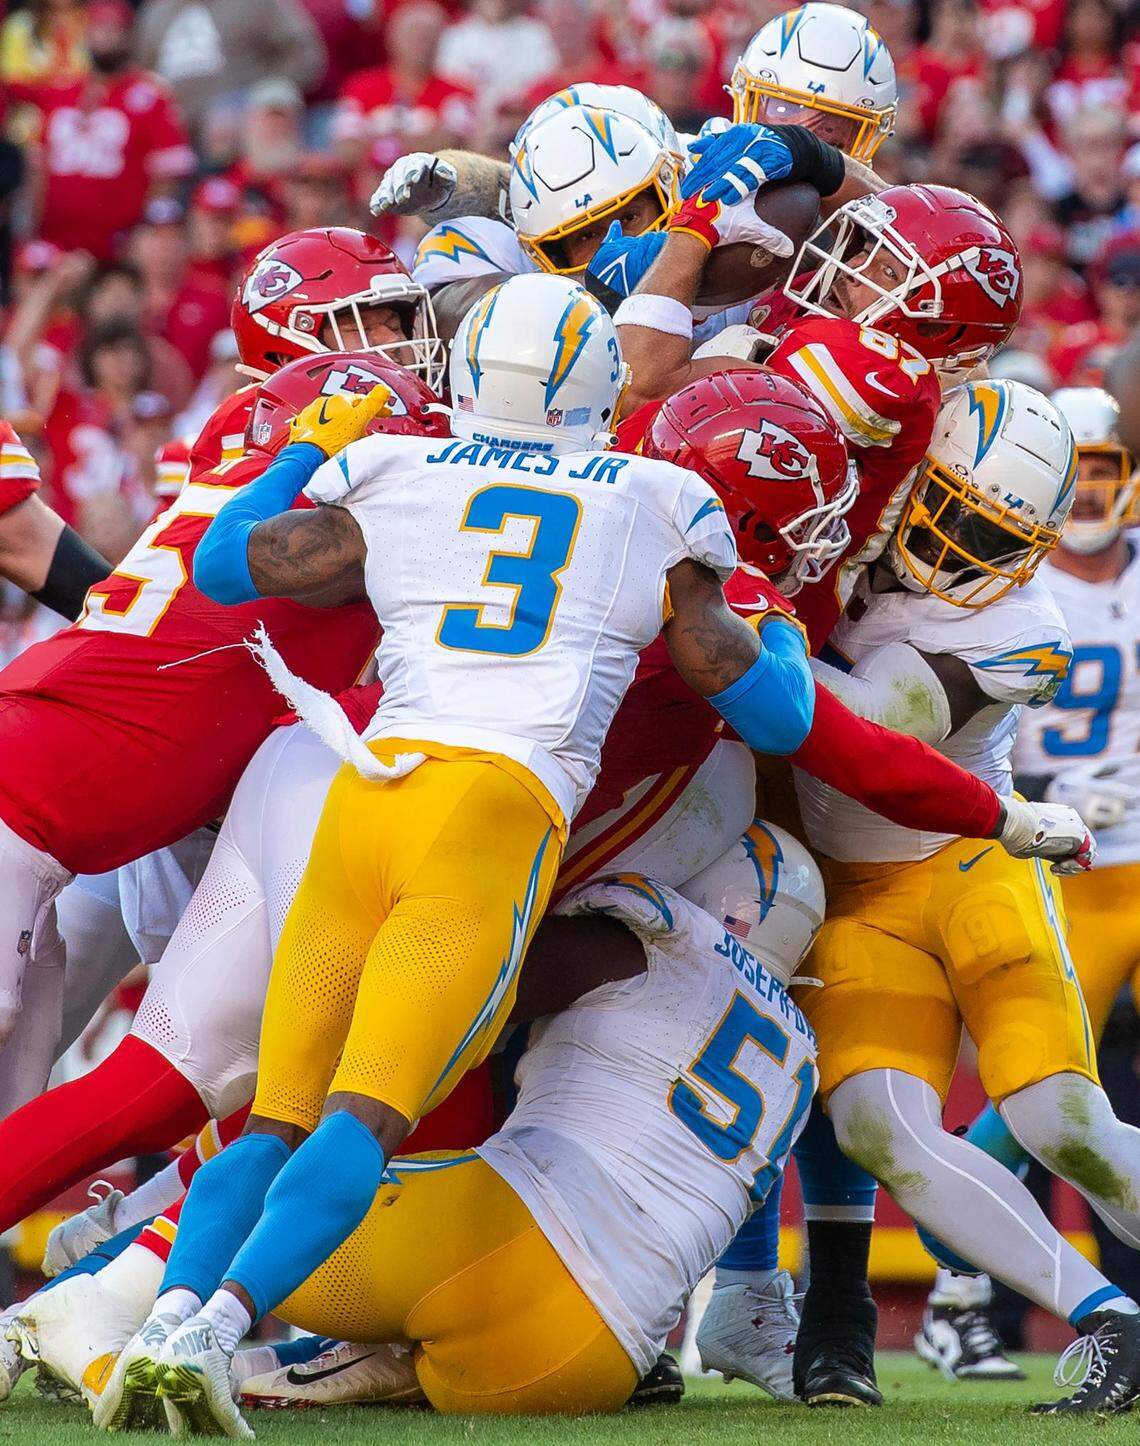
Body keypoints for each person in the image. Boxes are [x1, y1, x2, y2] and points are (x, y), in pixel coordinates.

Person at [796, 379, 1140, 1415]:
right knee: (876, 1127)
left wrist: (750, 619)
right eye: (949, 513)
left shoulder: (1026, 622)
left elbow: (863, 730)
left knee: (1060, 1118)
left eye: (996, 534)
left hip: (972, 865)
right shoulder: (848, 521)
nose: (961, 553)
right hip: (857, 897)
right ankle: (1109, 1320)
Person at [916, 385, 1140, 1380]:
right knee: (1044, 1094)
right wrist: (1047, 793)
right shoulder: (1009, 578)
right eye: (1075, 468)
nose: (1089, 488)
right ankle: (957, 1288)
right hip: (1061, 856)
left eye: (1103, 467)